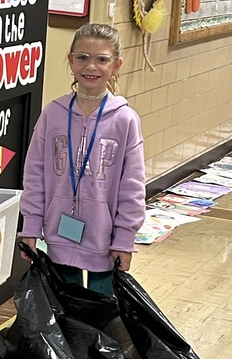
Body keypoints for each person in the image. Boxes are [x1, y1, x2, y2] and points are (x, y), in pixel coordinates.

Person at [19, 22, 146, 295]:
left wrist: (125, 238)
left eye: (102, 59)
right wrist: (30, 226)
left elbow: (133, 185)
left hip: (105, 241)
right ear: (70, 61)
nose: (91, 67)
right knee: (65, 312)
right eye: (83, 58)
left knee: (101, 317)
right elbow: (35, 174)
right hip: (58, 238)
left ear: (116, 65)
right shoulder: (52, 114)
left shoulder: (124, 120)